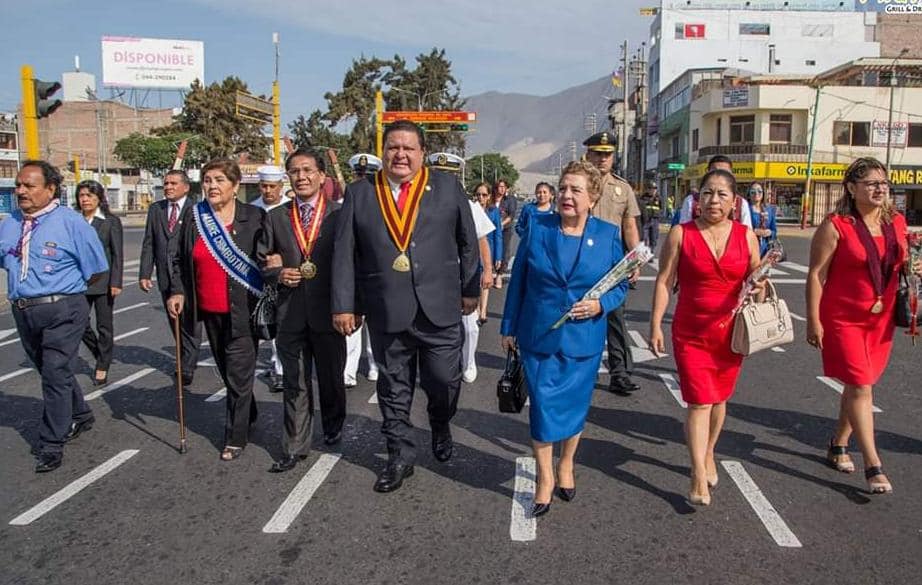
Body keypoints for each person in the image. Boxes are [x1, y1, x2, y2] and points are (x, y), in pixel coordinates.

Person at [332, 120, 480, 493]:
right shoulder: (361, 192)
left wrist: (470, 289)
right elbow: (345, 253)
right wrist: (345, 304)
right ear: (383, 152)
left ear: (422, 153)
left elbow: (468, 242)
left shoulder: (447, 187)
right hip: (386, 307)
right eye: (393, 147)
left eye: (408, 148)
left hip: (440, 307)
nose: (400, 154)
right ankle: (399, 455)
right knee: (393, 387)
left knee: (443, 381)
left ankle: (440, 422)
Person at [501, 160, 628, 518]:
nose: (566, 196)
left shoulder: (607, 234)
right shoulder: (538, 228)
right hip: (538, 334)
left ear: (593, 197)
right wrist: (508, 326)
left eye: (576, 190)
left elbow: (620, 285)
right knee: (542, 406)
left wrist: (600, 304)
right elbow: (519, 280)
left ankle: (567, 463)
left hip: (583, 340)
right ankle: (544, 477)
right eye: (563, 188)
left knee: (575, 407)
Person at [650, 169, 764, 506]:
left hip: (731, 333)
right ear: (697, 199)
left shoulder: (746, 236)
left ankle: (709, 451)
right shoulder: (681, 234)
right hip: (691, 332)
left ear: (734, 202)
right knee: (699, 401)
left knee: (719, 399)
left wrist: (759, 286)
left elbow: (757, 280)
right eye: (707, 193)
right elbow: (664, 280)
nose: (713, 200)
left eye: (721, 194)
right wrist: (655, 324)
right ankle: (698, 472)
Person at [806, 157, 918, 494]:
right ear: (852, 188)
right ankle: (873, 464)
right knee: (861, 384)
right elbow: (816, 275)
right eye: (871, 183)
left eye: (883, 183)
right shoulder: (836, 225)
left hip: (881, 320)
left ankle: (838, 443)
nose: (880, 188)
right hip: (843, 318)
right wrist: (813, 319)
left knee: (860, 385)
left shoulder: (896, 222)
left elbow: (901, 265)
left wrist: (914, 267)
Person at [0, 161, 108, 472]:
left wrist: (64, 291)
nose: (21, 191)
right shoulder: (10, 222)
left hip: (63, 308)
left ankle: (51, 443)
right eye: (18, 185)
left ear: (50, 189)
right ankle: (81, 414)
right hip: (24, 309)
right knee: (48, 369)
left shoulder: (71, 222)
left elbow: (96, 269)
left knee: (55, 372)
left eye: (29, 185)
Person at [167, 159, 266, 461]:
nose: (212, 186)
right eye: (208, 180)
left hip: (244, 310)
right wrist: (177, 291)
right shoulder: (195, 217)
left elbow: (267, 255)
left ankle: (235, 437)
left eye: (220, 180)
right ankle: (247, 412)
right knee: (227, 370)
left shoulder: (255, 217)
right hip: (209, 310)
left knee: (238, 371)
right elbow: (178, 259)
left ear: (235, 186)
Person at [258, 149, 347, 473]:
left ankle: (333, 423)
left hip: (329, 312)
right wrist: (277, 273)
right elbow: (262, 259)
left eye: (308, 170)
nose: (301, 177)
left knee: (331, 378)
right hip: (290, 312)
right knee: (295, 381)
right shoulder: (276, 217)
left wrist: (350, 307)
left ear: (322, 176)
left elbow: (352, 260)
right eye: (294, 171)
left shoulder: (339, 214)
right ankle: (294, 446)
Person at [428, 154, 496, 384]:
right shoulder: (420, 203)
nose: (443, 179)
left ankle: (468, 363)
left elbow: (482, 240)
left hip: (463, 274)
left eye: (448, 175)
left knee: (469, 328)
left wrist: (488, 270)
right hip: (433, 277)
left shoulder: (470, 206)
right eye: (438, 174)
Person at [583, 130, 642, 395]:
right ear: (588, 154)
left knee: (616, 318)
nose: (603, 159)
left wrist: (635, 261)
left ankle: (620, 373)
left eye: (607, 154)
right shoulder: (579, 184)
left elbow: (629, 226)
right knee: (582, 317)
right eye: (598, 153)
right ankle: (582, 369)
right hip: (581, 261)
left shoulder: (623, 188)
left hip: (612, 264)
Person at [139, 170, 201, 387]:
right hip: (165, 275)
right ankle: (184, 356)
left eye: (173, 183)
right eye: (166, 183)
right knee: (175, 320)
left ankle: (187, 366)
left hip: (188, 276)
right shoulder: (156, 209)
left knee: (190, 322)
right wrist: (145, 272)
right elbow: (149, 242)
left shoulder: (196, 209)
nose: (168, 187)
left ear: (186, 187)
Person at [76, 180, 123, 387]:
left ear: (99, 198)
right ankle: (101, 355)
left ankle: (102, 366)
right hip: (79, 283)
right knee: (79, 323)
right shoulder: (74, 220)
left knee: (104, 326)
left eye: (90, 196)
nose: (85, 199)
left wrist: (116, 281)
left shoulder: (110, 221)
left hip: (104, 282)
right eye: (82, 196)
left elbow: (117, 254)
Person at [250, 165, 292, 393]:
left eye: (272, 186)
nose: (268, 191)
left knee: (281, 324)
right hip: (257, 273)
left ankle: (280, 370)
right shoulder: (252, 209)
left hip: (282, 276)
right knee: (261, 323)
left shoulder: (289, 208)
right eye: (264, 186)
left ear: (280, 186)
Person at [343, 153, 382, 387]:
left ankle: (375, 366)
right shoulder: (345, 203)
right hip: (354, 275)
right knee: (352, 327)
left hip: (376, 276)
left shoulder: (385, 206)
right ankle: (349, 371)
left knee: (377, 325)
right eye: (359, 175)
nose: (361, 180)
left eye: (367, 177)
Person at [677, 155, 753, 228]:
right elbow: (684, 230)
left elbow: (746, 232)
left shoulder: (741, 203)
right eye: (715, 171)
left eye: (724, 172)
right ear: (707, 172)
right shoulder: (691, 201)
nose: (714, 200)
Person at [474, 182, 503, 327]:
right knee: (475, 280)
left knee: (485, 280)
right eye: (478, 194)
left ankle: (483, 310)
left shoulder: (494, 211)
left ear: (489, 196)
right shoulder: (471, 209)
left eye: (484, 195)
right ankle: (476, 308)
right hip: (472, 251)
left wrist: (498, 256)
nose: (481, 197)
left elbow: (498, 234)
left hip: (488, 251)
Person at [493, 178, 517, 283]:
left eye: (504, 187)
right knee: (492, 249)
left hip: (505, 229)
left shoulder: (510, 200)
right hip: (491, 229)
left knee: (504, 251)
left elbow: (511, 215)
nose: (502, 189)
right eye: (500, 187)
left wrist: (501, 224)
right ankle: (491, 271)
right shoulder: (491, 199)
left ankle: (500, 274)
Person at [747, 182, 777, 257]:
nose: (756, 193)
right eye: (753, 191)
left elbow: (774, 231)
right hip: (749, 248)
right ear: (749, 194)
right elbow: (740, 229)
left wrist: (769, 232)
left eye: (759, 191)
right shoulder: (745, 209)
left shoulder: (769, 209)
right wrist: (754, 231)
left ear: (763, 193)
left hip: (765, 250)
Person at [639, 182, 662, 250]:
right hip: (646, 220)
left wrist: (658, 216)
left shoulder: (658, 198)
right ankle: (645, 252)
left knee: (654, 238)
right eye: (652, 188)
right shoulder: (643, 197)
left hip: (655, 220)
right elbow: (640, 208)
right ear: (648, 189)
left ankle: (652, 252)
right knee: (644, 238)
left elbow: (661, 208)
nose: (654, 190)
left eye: (655, 188)